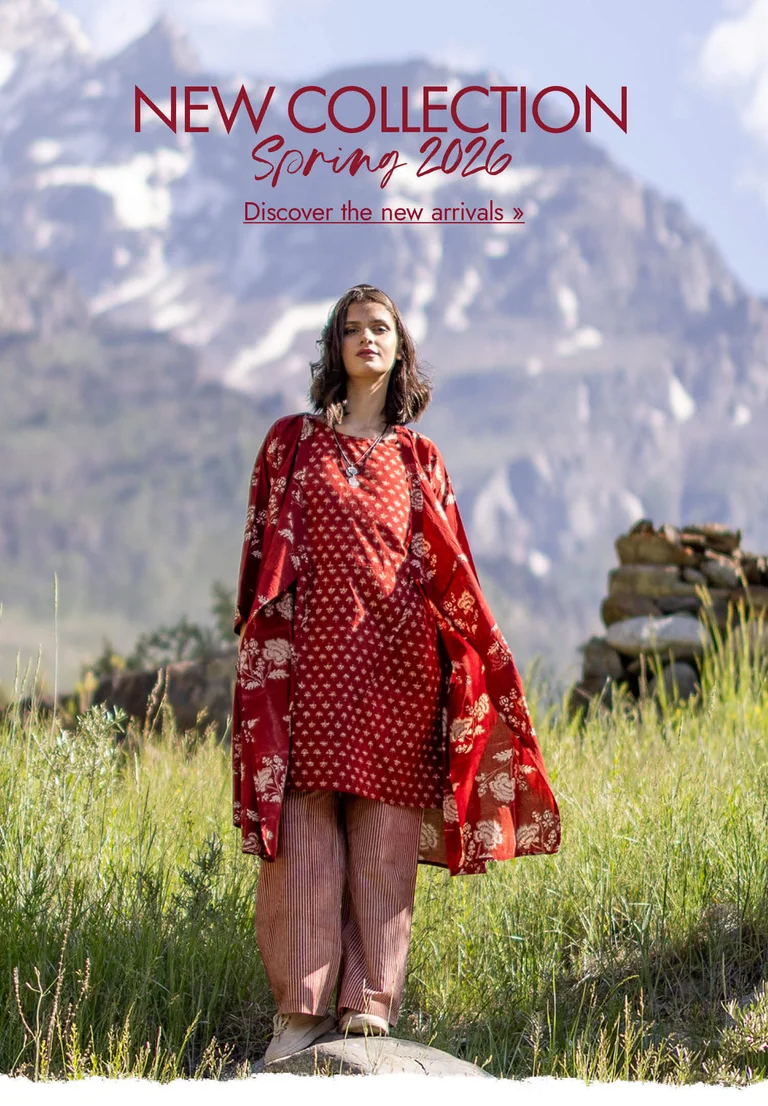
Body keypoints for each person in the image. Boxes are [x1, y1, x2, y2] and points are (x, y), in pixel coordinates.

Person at [232, 284, 560, 1064]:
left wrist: (468, 669)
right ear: (335, 347)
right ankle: (300, 1014)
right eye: (352, 329)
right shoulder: (291, 444)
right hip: (308, 667)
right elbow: (258, 556)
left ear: (400, 347)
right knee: (304, 833)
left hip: (399, 670)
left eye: (380, 328)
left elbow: (456, 572)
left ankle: (369, 1005)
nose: (366, 340)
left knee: (382, 835)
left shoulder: (420, 458)